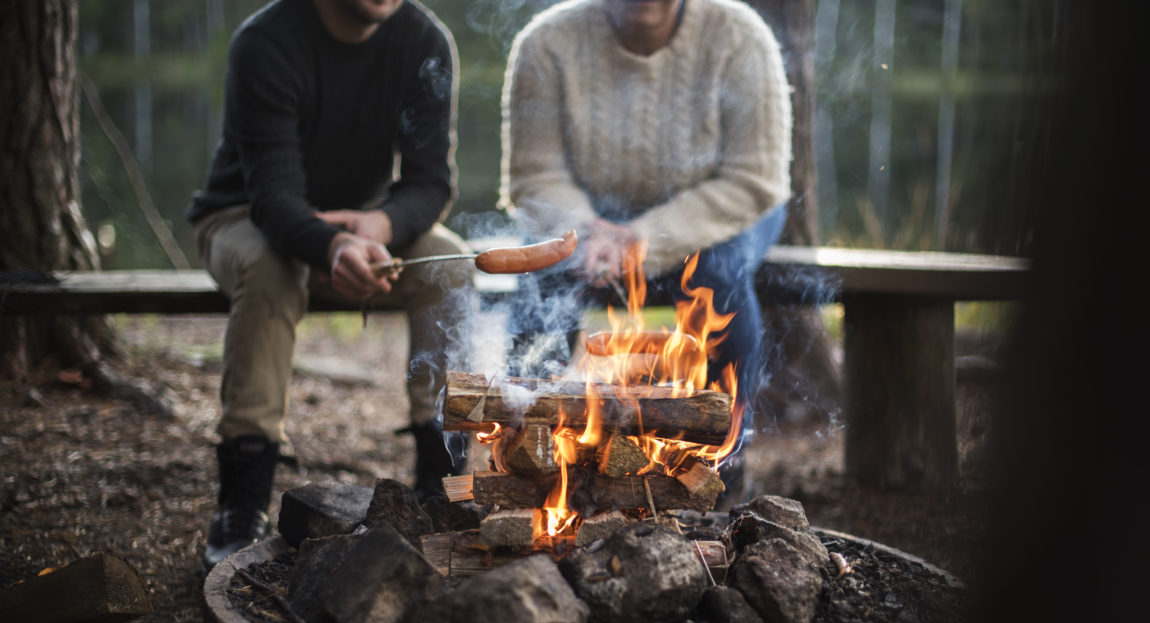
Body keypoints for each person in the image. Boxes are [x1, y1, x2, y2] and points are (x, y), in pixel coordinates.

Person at [187, 0, 473, 572]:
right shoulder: (265, 43)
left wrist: (379, 227)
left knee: (451, 261)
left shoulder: (423, 41)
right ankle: (240, 505)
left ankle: (441, 478)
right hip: (244, 216)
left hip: (364, 220)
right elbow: (272, 195)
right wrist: (332, 245)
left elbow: (428, 180)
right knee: (272, 270)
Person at [499, 0, 792, 506]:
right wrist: (585, 233)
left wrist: (641, 239)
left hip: (720, 206)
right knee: (541, 274)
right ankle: (534, 450)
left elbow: (754, 178)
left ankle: (722, 458)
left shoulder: (740, 36)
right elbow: (534, 176)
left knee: (719, 272)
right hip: (589, 217)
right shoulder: (547, 43)